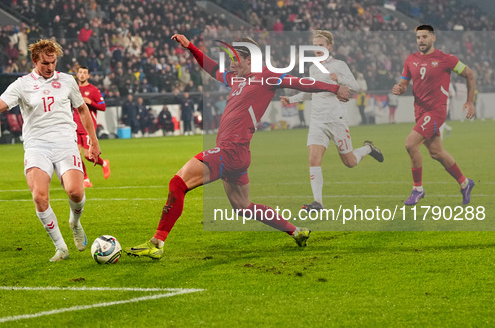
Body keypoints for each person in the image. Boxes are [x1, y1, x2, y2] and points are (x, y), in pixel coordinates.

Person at [125, 33, 350, 260]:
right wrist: (191, 47)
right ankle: (297, 231)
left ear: (250, 59)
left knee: (177, 183)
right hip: (238, 155)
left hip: (229, 151)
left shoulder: (267, 77)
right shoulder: (236, 79)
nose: (231, 65)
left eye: (235, 59)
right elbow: (212, 70)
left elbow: (301, 82)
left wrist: (334, 88)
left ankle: (157, 242)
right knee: (243, 207)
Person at [0, 39, 101, 262]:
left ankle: (75, 223)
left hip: (65, 142)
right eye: (46, 63)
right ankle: (61, 247)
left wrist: (93, 142)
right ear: (35, 60)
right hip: (37, 146)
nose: (50, 67)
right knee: (39, 196)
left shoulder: (67, 80)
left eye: (53, 62)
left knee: (76, 192)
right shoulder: (22, 84)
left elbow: (83, 110)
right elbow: (3, 102)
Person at [281, 30, 384, 211]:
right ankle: (318, 202)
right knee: (313, 158)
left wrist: (340, 79)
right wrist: (291, 99)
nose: (317, 49)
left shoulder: (339, 65)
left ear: (329, 46)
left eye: (320, 45)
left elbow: (357, 87)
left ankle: (368, 148)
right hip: (317, 121)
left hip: (337, 120)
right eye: (314, 46)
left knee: (350, 162)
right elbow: (310, 91)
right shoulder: (313, 68)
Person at [392, 24, 475, 206]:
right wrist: (400, 88)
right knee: (437, 153)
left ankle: (417, 189)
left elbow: (469, 74)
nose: (421, 40)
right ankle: (465, 183)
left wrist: (470, 101)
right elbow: (404, 82)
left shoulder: (446, 59)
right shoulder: (410, 60)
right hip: (420, 112)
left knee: (410, 144)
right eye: (418, 37)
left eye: (424, 37)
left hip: (435, 112)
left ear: (433, 38)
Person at [72, 66, 110, 188]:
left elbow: (103, 107)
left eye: (85, 73)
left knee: (88, 156)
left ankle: (103, 163)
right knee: (76, 155)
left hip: (87, 127)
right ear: (77, 74)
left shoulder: (93, 90)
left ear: (88, 76)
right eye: (80, 72)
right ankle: (85, 179)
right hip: (74, 126)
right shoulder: (73, 89)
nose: (82, 75)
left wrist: (90, 102)